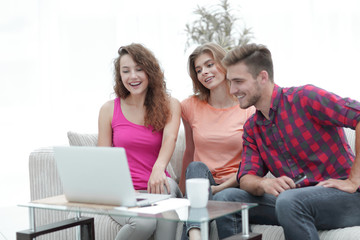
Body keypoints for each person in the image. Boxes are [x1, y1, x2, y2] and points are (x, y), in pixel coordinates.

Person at [213, 43, 360, 240]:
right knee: (225, 199)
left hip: (345, 198)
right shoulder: (252, 128)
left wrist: (354, 181)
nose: (232, 90)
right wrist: (264, 183)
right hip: (293, 202)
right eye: (230, 82)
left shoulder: (306, 98)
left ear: (262, 77)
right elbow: (246, 177)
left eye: (238, 81)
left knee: (289, 201)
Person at [97, 43, 182, 240]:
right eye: (125, 71)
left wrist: (158, 168)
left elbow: (171, 137)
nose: (132, 76)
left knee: (167, 217)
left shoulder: (170, 104)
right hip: (123, 191)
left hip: (158, 185)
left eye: (139, 69)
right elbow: (103, 157)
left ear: (150, 71)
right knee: (144, 222)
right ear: (120, 76)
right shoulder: (109, 109)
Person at [179, 42, 255, 240]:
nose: (204, 72)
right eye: (199, 69)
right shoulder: (189, 106)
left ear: (224, 64)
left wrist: (216, 190)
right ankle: (196, 237)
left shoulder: (247, 108)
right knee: (196, 167)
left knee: (223, 198)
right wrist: (181, 195)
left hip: (233, 185)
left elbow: (251, 164)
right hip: (201, 183)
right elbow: (189, 151)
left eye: (210, 64)